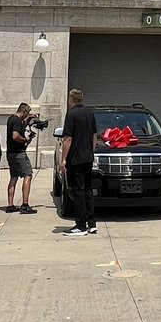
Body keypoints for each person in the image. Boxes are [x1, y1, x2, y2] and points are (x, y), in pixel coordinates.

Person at [59, 88, 98, 236]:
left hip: (76, 159)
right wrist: (91, 151)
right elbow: (94, 135)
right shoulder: (89, 113)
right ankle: (91, 223)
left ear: (71, 99)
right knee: (88, 189)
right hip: (88, 157)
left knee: (78, 191)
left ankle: (80, 225)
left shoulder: (71, 114)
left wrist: (63, 159)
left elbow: (67, 139)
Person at [5, 103, 37, 214]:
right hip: (18, 153)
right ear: (24, 112)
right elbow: (15, 136)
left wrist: (30, 118)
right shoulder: (17, 121)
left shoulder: (11, 119)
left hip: (10, 153)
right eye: (27, 113)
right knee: (28, 175)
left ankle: (10, 205)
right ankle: (25, 204)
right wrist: (25, 140)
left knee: (14, 177)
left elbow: (21, 125)